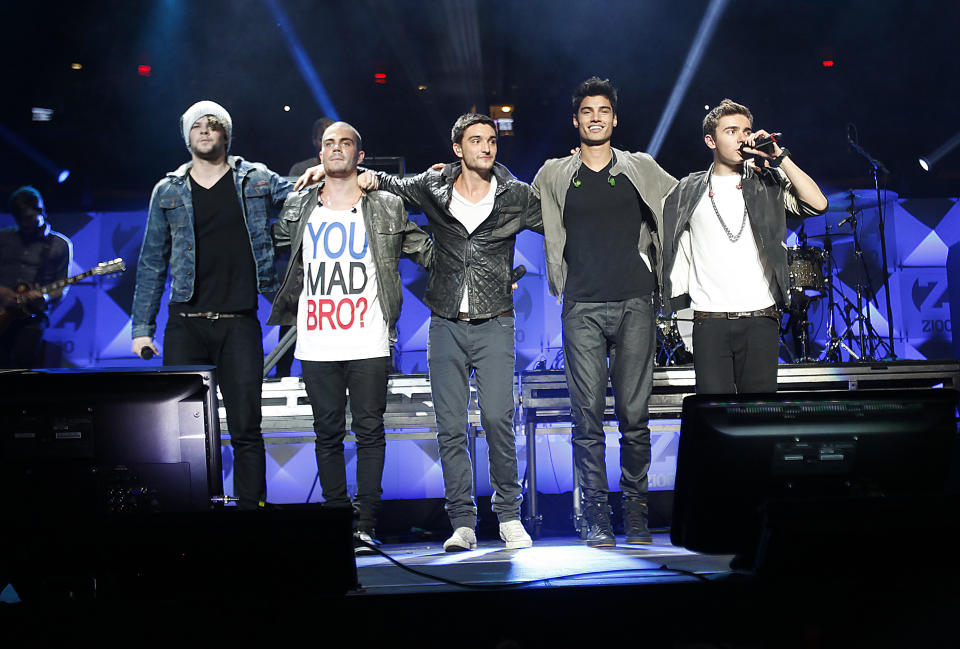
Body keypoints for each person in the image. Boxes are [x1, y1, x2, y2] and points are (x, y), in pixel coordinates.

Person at [298, 113, 542, 550]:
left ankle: (508, 517)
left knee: (497, 422)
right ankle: (463, 524)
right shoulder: (433, 186)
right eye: (475, 141)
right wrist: (328, 170)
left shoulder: (517, 196)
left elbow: (560, 222)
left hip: (496, 323)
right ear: (457, 148)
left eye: (491, 141)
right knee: (450, 428)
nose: (486, 148)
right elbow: (382, 181)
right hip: (446, 323)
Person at [268, 122, 432, 552]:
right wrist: (297, 186)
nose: (336, 149)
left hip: (368, 337)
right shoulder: (301, 205)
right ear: (319, 156)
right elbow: (268, 240)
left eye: (345, 143)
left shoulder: (386, 205)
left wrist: (479, 261)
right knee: (326, 434)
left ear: (360, 156)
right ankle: (337, 518)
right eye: (328, 144)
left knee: (369, 431)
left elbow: (427, 250)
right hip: (318, 338)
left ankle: (366, 524)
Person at [531, 77, 678, 547]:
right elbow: (512, 203)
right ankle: (594, 514)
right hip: (582, 306)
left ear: (615, 119)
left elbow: (686, 200)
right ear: (576, 120)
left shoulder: (640, 167)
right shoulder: (554, 173)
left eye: (604, 111)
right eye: (587, 111)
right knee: (586, 417)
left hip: (636, 301)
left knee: (635, 417)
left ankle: (635, 513)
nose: (596, 117)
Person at [131, 100, 293, 510]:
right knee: (181, 433)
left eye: (213, 125)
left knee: (246, 429)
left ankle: (250, 516)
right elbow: (152, 260)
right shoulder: (167, 190)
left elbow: (302, 196)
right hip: (186, 324)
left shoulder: (254, 178)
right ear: (186, 135)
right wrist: (141, 329)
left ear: (226, 134)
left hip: (239, 323)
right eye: (197, 126)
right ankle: (192, 516)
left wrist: (332, 174)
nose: (205, 131)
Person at [662, 98, 828, 394]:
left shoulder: (769, 183)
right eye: (731, 130)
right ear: (710, 140)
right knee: (715, 418)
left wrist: (780, 157)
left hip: (760, 318)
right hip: (708, 321)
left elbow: (818, 204)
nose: (742, 137)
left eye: (746, 130)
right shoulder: (686, 190)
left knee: (760, 417)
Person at [0, 186, 72, 368]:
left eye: (29, 218)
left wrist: (45, 296)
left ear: (40, 211)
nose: (25, 224)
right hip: (1, 310)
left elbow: (62, 287)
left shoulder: (59, 245)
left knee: (21, 362)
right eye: (20, 219)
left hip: (32, 315)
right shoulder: (4, 238)